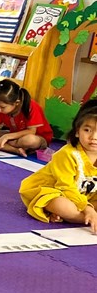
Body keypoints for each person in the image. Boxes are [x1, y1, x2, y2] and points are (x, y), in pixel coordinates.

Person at [20, 99, 97, 231]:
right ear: (77, 131)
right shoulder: (67, 154)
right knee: (62, 205)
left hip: (82, 196)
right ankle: (82, 217)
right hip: (52, 190)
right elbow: (65, 187)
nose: (93, 137)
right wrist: (88, 209)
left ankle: (83, 216)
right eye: (87, 130)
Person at [0, 78, 51, 156]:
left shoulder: (31, 106)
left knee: (31, 140)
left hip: (36, 137)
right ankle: (16, 150)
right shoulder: (0, 108)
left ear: (16, 103)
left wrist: (7, 137)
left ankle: (9, 144)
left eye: (2, 107)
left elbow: (31, 131)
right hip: (14, 136)